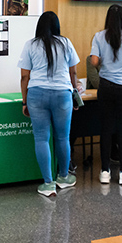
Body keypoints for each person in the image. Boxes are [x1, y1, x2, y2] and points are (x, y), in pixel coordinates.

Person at [20, 12, 82, 197]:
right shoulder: (66, 43)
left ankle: (48, 184)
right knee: (63, 137)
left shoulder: (30, 44)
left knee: (41, 138)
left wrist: (24, 102)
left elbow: (24, 76)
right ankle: (63, 177)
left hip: (36, 94)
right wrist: (75, 94)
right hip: (62, 94)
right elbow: (74, 74)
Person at [89, 4, 122, 186]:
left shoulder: (98, 36)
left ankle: (105, 171)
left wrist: (102, 64)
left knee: (106, 128)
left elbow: (94, 61)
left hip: (105, 86)